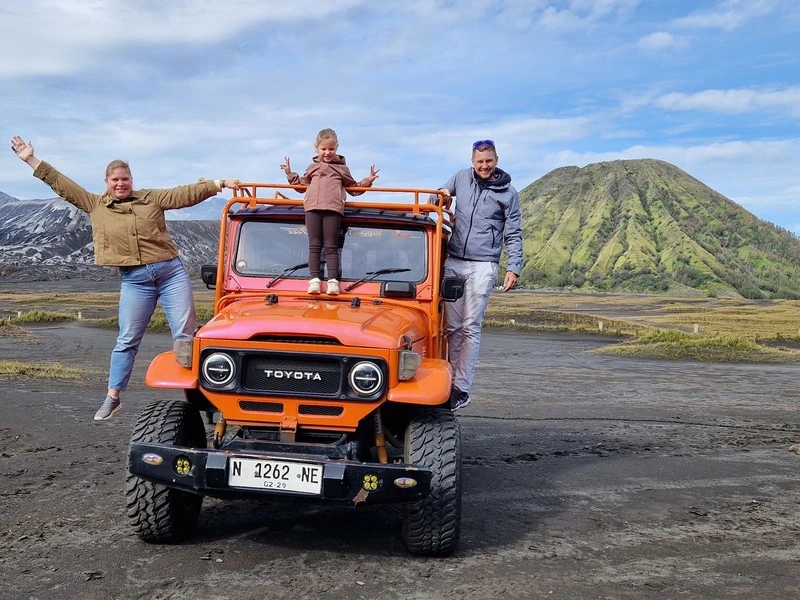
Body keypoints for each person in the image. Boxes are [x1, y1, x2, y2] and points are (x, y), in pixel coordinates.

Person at [10, 135, 240, 421]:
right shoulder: (95, 205)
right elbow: (61, 184)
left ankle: (202, 396)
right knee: (127, 340)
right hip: (135, 280)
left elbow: (184, 193)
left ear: (131, 180)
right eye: (115, 179)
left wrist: (218, 184)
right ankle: (113, 397)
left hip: (171, 273)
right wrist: (31, 159)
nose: (121, 183)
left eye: (125, 179)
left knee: (185, 336)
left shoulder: (150, 198)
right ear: (107, 182)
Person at [438, 139, 523, 410]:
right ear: (472, 162)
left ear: (496, 160)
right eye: (479, 162)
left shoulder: (509, 193)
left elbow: (514, 232)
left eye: (488, 161)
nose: (484, 166)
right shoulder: (461, 178)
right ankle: (446, 383)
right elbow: (438, 195)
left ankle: (461, 388)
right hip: (454, 261)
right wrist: (440, 197)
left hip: (483, 264)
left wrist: (514, 267)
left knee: (470, 327)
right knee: (451, 328)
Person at [280, 128, 379, 295]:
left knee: (331, 246)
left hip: (333, 209)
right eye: (324, 149)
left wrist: (367, 181)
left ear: (337, 148)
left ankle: (333, 281)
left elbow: (353, 188)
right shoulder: (312, 167)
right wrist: (290, 174)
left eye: (331, 149)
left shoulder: (342, 169)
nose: (327, 152)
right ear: (317, 148)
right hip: (312, 208)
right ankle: (314, 281)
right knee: (314, 246)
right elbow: (301, 186)